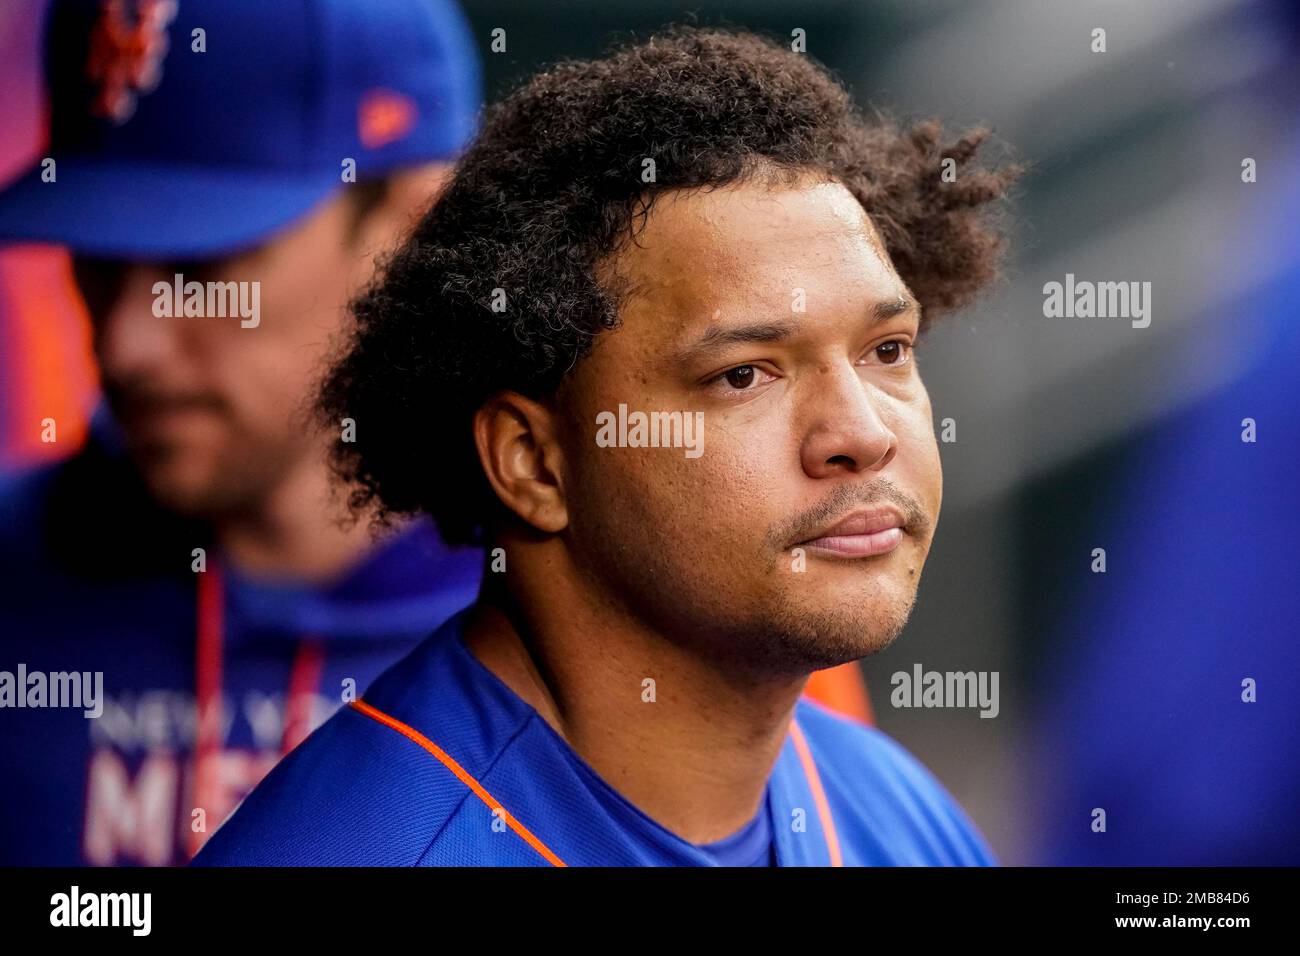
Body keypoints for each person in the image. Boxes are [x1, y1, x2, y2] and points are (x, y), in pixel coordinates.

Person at [196, 28, 1017, 867]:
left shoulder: (897, 813)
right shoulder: (365, 849)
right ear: (533, 463)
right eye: (743, 376)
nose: (864, 435)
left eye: (887, 351)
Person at [0, 0, 483, 865]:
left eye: (203, 266)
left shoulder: (608, 624)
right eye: (98, 262)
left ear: (414, 236)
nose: (125, 344)